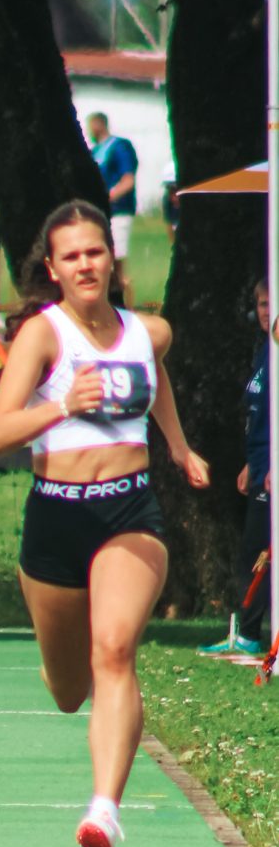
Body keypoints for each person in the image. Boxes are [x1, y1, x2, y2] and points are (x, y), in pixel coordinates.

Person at [0, 201, 208, 847]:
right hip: (56, 515)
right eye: (71, 256)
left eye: (94, 251)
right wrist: (61, 405)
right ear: (52, 269)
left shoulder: (147, 332)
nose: (85, 264)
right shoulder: (42, 336)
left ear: (111, 258)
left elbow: (154, 376)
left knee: (113, 650)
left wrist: (178, 447)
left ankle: (104, 809)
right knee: (67, 690)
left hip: (128, 512)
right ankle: (68, 684)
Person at [198, 272, 273, 659]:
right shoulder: (265, 350)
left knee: (259, 553)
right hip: (260, 464)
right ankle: (247, 632)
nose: (267, 311)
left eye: (273, 303)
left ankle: (249, 634)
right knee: (253, 551)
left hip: (274, 470)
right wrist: (251, 463)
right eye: (262, 304)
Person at [86, 113, 139, 265]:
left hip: (118, 211)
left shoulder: (119, 147)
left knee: (117, 262)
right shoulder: (94, 151)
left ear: (99, 124)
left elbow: (128, 181)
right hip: (100, 212)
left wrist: (107, 199)